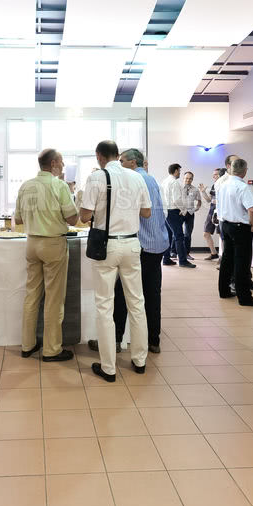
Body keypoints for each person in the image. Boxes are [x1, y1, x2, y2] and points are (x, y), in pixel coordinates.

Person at [80, 140, 152, 381]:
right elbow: (146, 212)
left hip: (107, 246)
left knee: (104, 305)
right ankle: (140, 360)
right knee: (137, 302)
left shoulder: (97, 177)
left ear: (99, 156)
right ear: (117, 155)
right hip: (132, 244)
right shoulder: (136, 177)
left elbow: (84, 216)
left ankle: (109, 367)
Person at [87, 148, 170, 355]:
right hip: (157, 242)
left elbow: (142, 212)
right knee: (151, 294)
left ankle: (114, 340)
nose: (119, 163)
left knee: (123, 296)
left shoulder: (132, 179)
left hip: (139, 242)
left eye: (122, 160)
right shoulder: (150, 180)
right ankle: (153, 341)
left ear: (133, 162)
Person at [14, 149, 78, 362]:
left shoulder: (25, 186)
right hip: (53, 243)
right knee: (53, 298)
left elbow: (19, 220)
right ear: (53, 163)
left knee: (31, 294)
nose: (63, 164)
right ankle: (51, 349)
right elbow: (72, 219)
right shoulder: (58, 185)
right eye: (61, 160)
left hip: (31, 243)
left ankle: (27, 344)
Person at [217, 159, 253, 306]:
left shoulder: (222, 185)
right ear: (244, 171)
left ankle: (224, 291)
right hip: (240, 227)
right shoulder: (242, 187)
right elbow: (252, 209)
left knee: (227, 260)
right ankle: (245, 297)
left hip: (226, 224)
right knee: (242, 263)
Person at [161, 164, 192, 267]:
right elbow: (177, 199)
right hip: (173, 212)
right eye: (179, 171)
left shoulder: (164, 182)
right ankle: (183, 261)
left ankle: (166, 259)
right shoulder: (174, 182)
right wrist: (183, 210)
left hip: (166, 212)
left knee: (168, 236)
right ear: (175, 170)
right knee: (179, 236)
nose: (179, 173)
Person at [199, 168, 224, 260]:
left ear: (222, 175)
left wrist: (218, 201)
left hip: (221, 212)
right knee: (206, 233)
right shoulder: (214, 185)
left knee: (222, 235)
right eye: (213, 174)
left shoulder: (225, 185)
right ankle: (214, 254)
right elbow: (209, 200)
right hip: (212, 211)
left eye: (216, 174)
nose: (214, 176)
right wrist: (203, 192)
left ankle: (223, 257)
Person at [179, 171, 201, 259]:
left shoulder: (195, 189)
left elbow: (199, 201)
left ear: (192, 179)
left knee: (188, 234)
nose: (188, 180)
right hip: (180, 213)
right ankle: (173, 252)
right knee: (177, 233)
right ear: (183, 178)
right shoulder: (179, 188)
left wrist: (196, 208)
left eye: (190, 178)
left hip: (190, 214)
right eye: (186, 178)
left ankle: (187, 253)